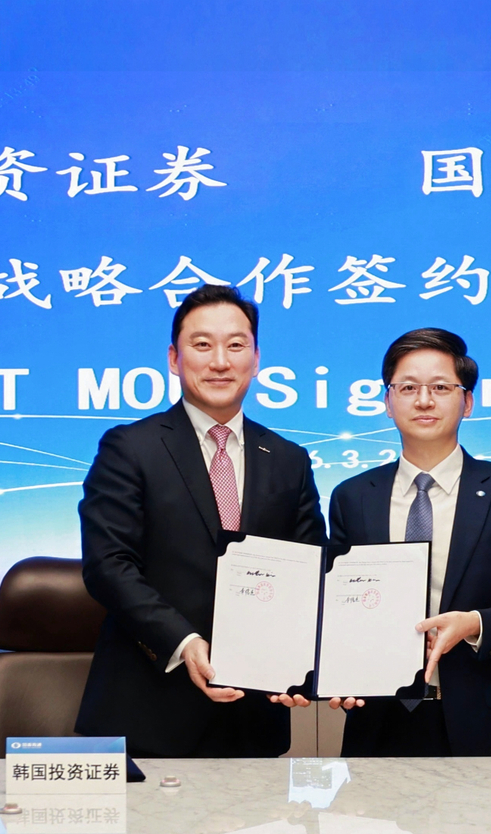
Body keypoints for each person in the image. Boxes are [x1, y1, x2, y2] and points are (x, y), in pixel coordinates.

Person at [74, 285, 326, 757]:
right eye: (202, 344)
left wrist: (299, 661)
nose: (220, 361)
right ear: (174, 358)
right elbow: (108, 565)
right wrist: (184, 641)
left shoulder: (289, 459)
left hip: (254, 716)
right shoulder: (130, 448)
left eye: (235, 345)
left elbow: (310, 570)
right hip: (149, 711)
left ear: (255, 359)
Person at [325, 327, 491, 756]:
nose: (423, 400)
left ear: (467, 402)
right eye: (408, 387)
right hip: (377, 720)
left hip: (481, 717)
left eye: (440, 387)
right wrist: (338, 669)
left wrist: (475, 623)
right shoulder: (353, 497)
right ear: (387, 401)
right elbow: (336, 606)